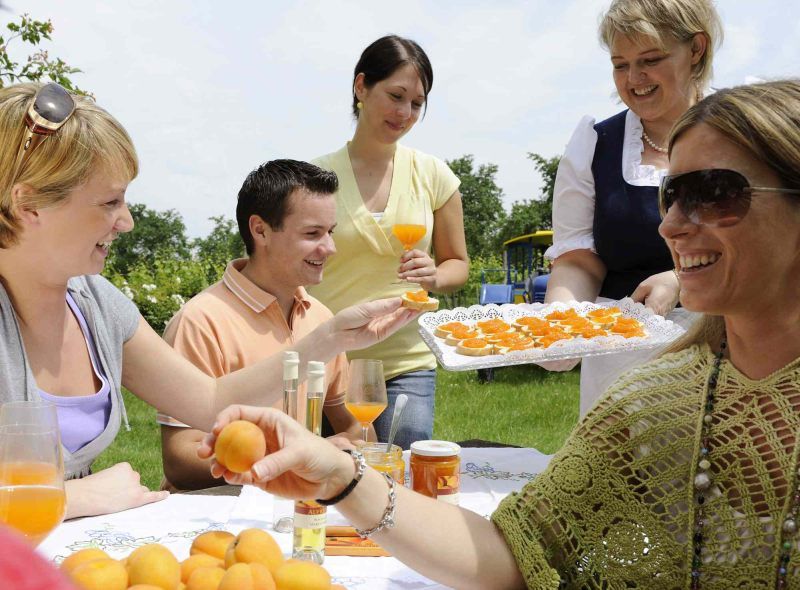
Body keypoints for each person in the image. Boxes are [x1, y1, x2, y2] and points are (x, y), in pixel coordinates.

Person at [201, 80, 800, 588]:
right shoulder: (651, 404)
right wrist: (339, 476)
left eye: (715, 195)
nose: (670, 224)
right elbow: (515, 550)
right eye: (673, 194)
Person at [0, 82, 417, 519]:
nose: (126, 222)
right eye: (109, 202)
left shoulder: (97, 304)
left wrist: (332, 336)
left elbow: (209, 399)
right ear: (29, 204)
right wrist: (69, 498)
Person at [543, 0, 722, 417]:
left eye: (650, 60)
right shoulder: (595, 143)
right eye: (620, 64)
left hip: (721, 355)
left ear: (695, 49)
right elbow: (580, 261)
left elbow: (774, 247)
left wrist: (682, 277)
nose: (634, 79)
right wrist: (558, 321)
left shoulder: (740, 131)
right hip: (618, 367)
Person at [158, 159, 367, 492]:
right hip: (215, 518)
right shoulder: (200, 322)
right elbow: (180, 460)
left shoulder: (321, 318)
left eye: (330, 231)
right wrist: (291, 460)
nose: (330, 248)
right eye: (312, 233)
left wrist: (341, 447)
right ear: (261, 230)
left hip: (295, 509)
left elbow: (354, 427)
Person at [310, 35, 469, 449]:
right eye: (396, 96)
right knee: (320, 490)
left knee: (398, 484)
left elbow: (458, 265)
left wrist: (435, 274)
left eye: (417, 103)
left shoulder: (434, 176)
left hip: (405, 362)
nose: (405, 113)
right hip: (328, 362)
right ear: (361, 87)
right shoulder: (313, 178)